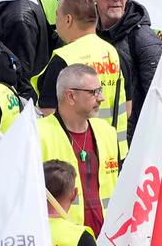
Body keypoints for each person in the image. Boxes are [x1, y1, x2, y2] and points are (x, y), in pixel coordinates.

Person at [37, 64, 123, 236]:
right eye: (94, 92)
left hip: (108, 237)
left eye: (100, 90)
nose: (102, 98)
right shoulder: (38, 134)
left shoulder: (107, 132)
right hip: (65, 239)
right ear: (70, 96)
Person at [36, 0, 123, 126]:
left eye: (57, 15)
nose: (56, 22)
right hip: (111, 142)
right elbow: (127, 107)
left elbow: (49, 114)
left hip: (74, 144)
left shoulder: (64, 57)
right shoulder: (112, 53)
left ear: (68, 20)